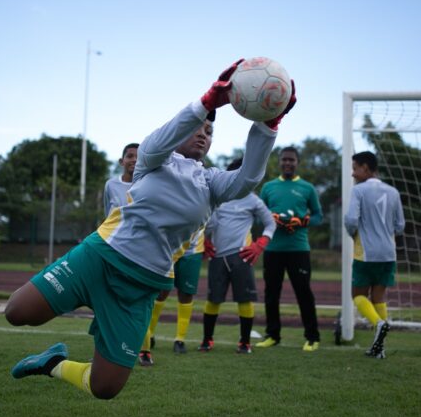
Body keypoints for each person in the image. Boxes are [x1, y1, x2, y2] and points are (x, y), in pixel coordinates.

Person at [4, 59, 296, 399]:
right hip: (99, 258)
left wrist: (269, 126)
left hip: (141, 286)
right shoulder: (154, 159)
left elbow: (248, 178)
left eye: (210, 132)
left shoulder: (212, 183)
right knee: (18, 311)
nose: (204, 133)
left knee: (104, 387)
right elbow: (157, 142)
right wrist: (205, 103)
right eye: (199, 127)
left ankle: (52, 363)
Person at [199, 157, 276, 354]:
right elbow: (206, 220)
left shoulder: (253, 199)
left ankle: (244, 343)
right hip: (217, 256)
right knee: (213, 299)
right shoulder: (219, 196)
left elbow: (270, 223)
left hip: (241, 256)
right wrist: (205, 240)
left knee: (244, 299)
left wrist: (260, 244)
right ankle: (207, 340)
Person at [256, 146, 323, 351]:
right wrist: (273, 219)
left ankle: (312, 337)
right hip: (273, 249)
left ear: (297, 163)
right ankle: (273, 335)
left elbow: (318, 216)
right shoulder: (268, 187)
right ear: (279, 162)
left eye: (291, 160)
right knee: (271, 294)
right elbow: (258, 215)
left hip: (298, 249)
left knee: (303, 293)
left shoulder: (307, 188)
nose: (287, 163)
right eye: (284, 159)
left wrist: (302, 221)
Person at [344, 151, 405, 359]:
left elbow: (351, 220)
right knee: (379, 297)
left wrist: (353, 234)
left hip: (366, 253)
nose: (353, 174)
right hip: (389, 253)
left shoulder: (358, 190)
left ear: (365, 168)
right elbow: (400, 225)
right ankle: (380, 348)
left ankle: (379, 323)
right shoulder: (393, 192)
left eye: (355, 168)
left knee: (358, 296)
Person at [137, 226, 206, 366]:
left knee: (186, 294)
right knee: (160, 292)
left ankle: (180, 339)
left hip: (192, 250)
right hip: (167, 248)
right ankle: (150, 335)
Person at [103, 143, 139, 216]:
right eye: (130, 156)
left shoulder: (146, 184)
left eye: (139, 157)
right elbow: (108, 213)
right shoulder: (110, 184)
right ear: (121, 161)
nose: (134, 160)